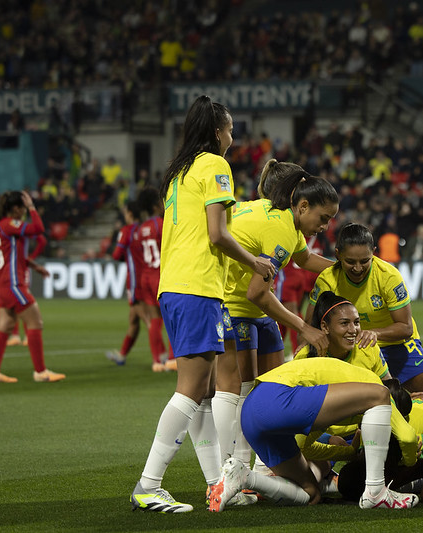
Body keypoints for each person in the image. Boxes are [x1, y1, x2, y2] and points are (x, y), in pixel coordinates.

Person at [130, 95, 275, 513]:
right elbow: (217, 233)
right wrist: (256, 262)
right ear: (217, 132)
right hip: (197, 286)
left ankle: (216, 482)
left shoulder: (178, 173)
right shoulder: (214, 166)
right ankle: (148, 483)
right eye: (230, 130)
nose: (232, 137)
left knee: (207, 390)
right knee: (193, 390)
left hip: (175, 286)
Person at [214, 161, 338, 474]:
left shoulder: (284, 219)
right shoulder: (281, 229)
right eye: (323, 218)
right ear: (303, 205)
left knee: (271, 388)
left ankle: (263, 465)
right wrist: (304, 327)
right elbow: (256, 292)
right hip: (233, 305)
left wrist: (344, 267)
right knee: (243, 390)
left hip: (257, 310)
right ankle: (237, 467)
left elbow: (305, 258)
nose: (324, 227)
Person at [208, 357, 420, 511]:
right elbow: (408, 437)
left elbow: (305, 446)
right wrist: (409, 460)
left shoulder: (341, 403)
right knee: (379, 394)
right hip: (276, 396)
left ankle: (244, 478)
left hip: (253, 413)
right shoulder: (374, 385)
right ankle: (376, 492)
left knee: (310, 493)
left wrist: (349, 453)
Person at [306, 222, 423, 393]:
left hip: (397, 345)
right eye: (350, 262)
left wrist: (375, 333)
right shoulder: (327, 280)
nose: (358, 268)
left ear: (373, 251)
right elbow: (311, 325)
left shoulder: (388, 276)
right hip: (353, 348)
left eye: (365, 261)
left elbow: (406, 327)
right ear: (338, 254)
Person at [0, 190, 65, 384]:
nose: (24, 213)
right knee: (35, 322)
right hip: (12, 284)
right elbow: (38, 229)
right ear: (16, 208)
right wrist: (32, 207)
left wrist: (34, 266)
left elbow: (14, 255)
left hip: (2, 283)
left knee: (5, 325)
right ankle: (41, 372)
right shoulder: (9, 224)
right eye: (22, 208)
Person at [293, 290, 390, 380]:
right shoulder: (305, 358)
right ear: (325, 327)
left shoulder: (368, 348)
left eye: (356, 322)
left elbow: (388, 387)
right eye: (344, 323)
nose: (353, 330)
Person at [134, 186, 175, 372]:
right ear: (155, 204)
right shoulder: (161, 223)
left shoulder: (140, 228)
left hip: (145, 277)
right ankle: (173, 359)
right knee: (172, 318)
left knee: (154, 319)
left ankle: (156, 362)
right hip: (161, 275)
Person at [106, 199, 145, 366]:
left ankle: (164, 357)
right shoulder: (146, 228)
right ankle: (122, 354)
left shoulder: (127, 230)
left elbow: (116, 255)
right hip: (151, 276)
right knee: (134, 320)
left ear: (129, 213)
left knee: (151, 320)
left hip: (136, 280)